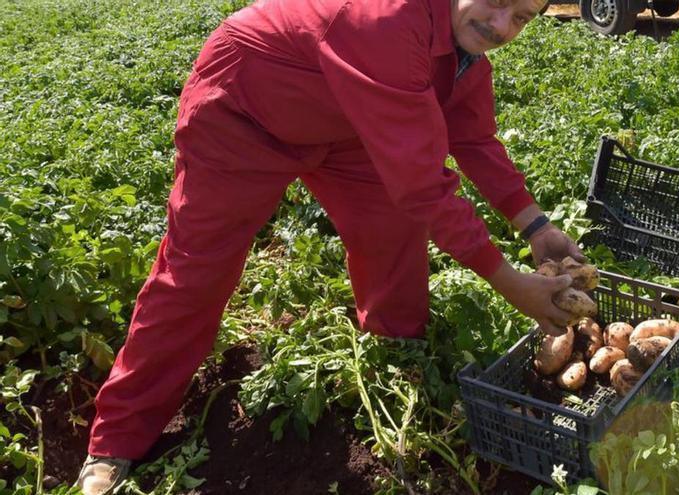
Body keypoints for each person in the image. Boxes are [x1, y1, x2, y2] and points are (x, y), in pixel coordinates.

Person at [75, 0, 583, 493]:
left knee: (392, 228)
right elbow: (422, 183)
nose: (501, 24)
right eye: (496, 1)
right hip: (245, 111)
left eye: (522, 16)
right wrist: (511, 283)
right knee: (197, 271)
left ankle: (394, 351)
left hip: (344, 126)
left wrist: (538, 228)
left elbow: (472, 138)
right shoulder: (387, 18)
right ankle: (117, 437)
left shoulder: (463, 53)